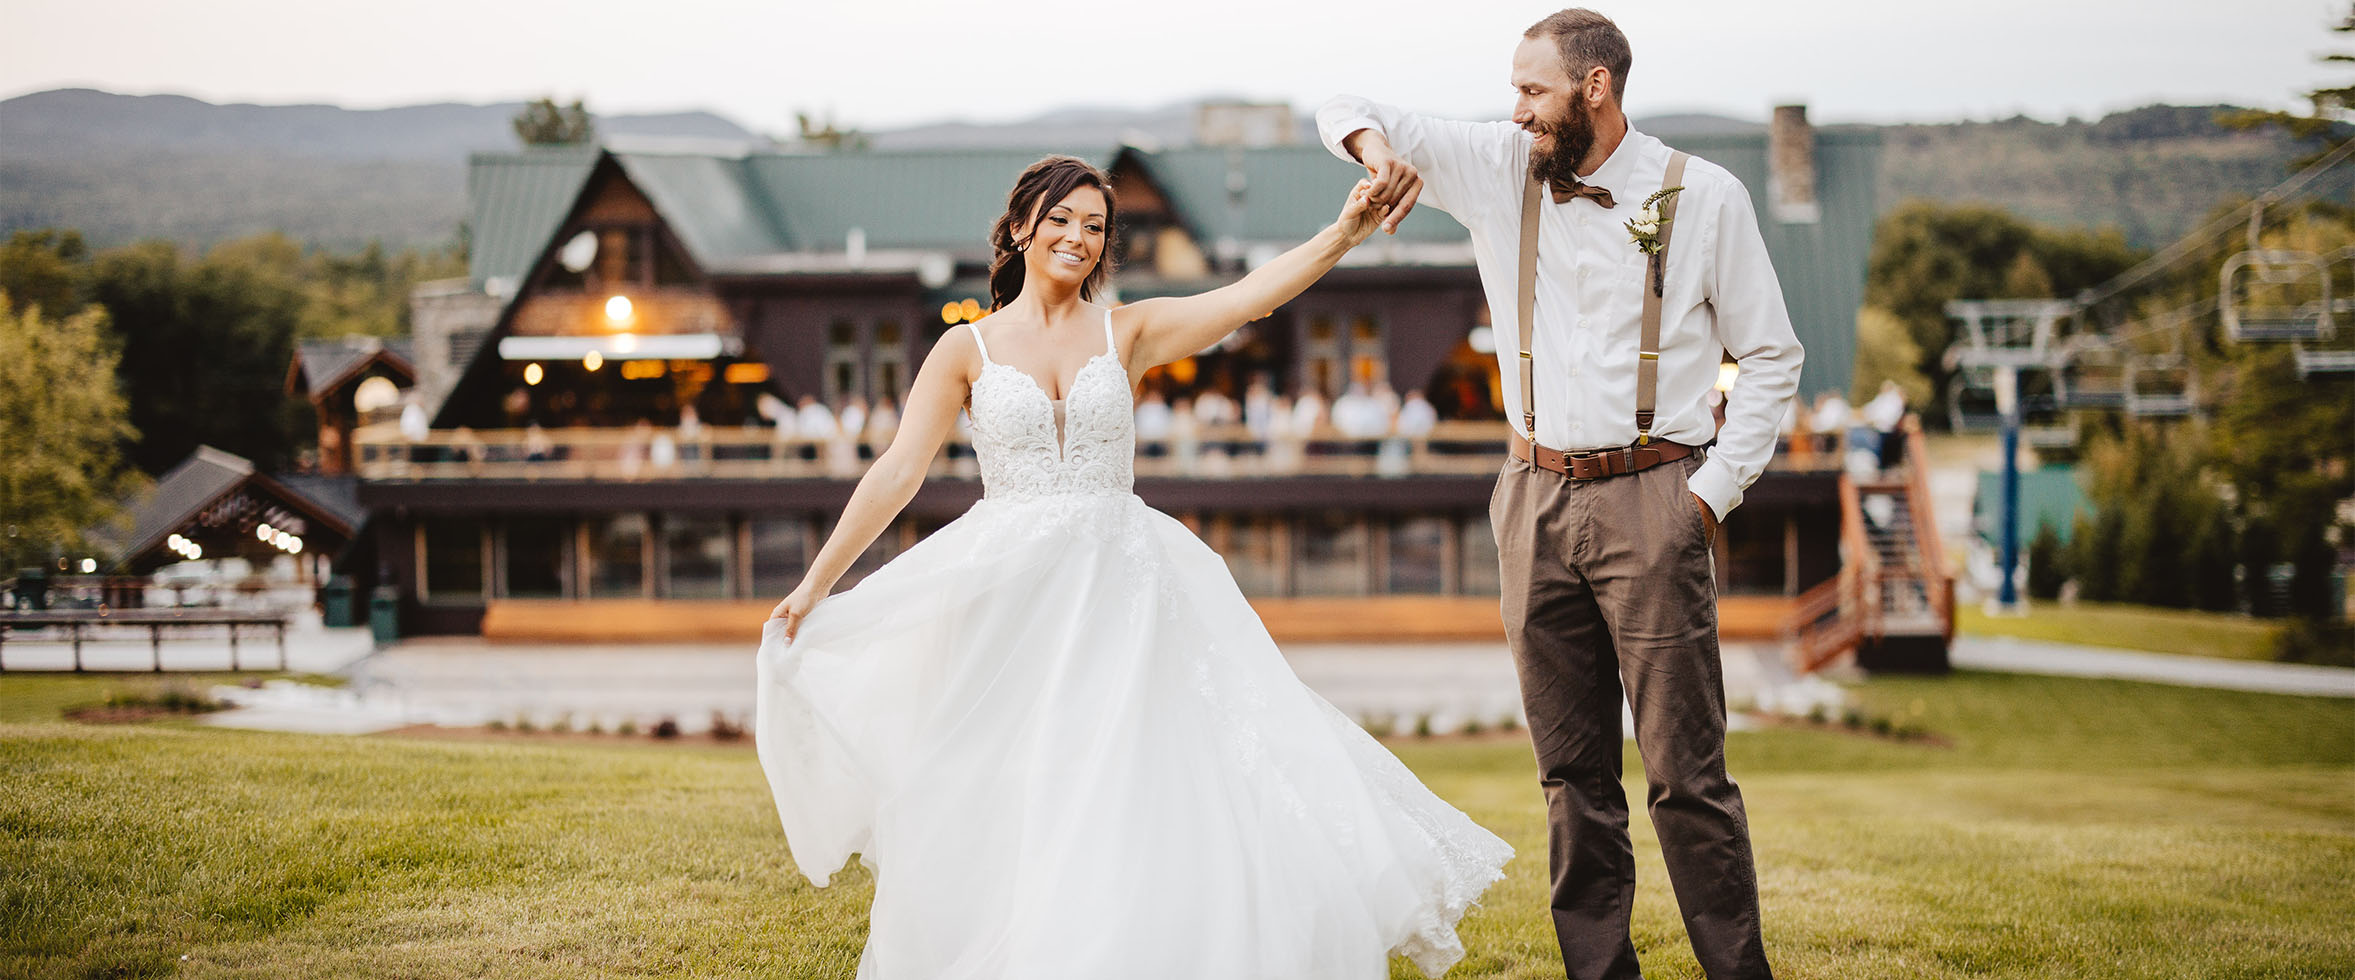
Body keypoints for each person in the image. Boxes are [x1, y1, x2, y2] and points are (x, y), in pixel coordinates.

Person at [756, 155, 1509, 979]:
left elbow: (1250, 297)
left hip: (1126, 587)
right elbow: (898, 470)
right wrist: (814, 585)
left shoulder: (1130, 330)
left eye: (1094, 226)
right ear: (1018, 229)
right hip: (1012, 600)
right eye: (1061, 220)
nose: (1078, 237)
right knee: (1012, 780)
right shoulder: (963, 348)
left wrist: (1342, 234)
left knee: (1134, 773)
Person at [1322, 10, 1800, 979]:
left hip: (1654, 491)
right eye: (1515, 90)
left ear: (1597, 88)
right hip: (1533, 493)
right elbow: (1343, 104)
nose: (1517, 110)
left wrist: (1705, 496)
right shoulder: (1504, 166)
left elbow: (1773, 356)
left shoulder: (1702, 196)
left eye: (1534, 91)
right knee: (1573, 775)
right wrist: (1377, 155)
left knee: (1685, 775)